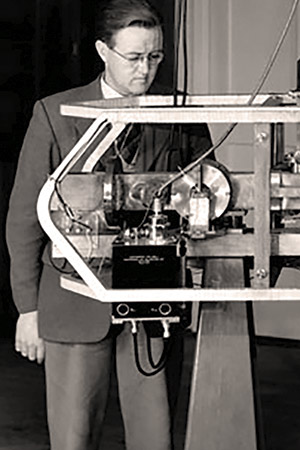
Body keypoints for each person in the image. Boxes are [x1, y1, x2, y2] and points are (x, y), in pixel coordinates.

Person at [7, 1, 212, 448]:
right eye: (134, 57)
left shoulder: (181, 112)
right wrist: (27, 309)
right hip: (73, 301)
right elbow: (25, 216)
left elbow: (208, 195)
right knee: (73, 437)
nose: (146, 69)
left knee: (155, 434)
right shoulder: (55, 113)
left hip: (153, 299)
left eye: (155, 57)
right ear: (103, 50)